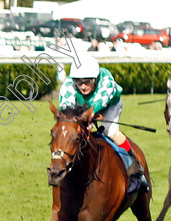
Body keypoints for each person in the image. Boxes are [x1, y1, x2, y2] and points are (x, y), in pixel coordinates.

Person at [59, 53, 145, 192]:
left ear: (95, 79)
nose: (83, 86)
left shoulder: (106, 80)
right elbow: (66, 108)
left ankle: (135, 169)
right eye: (79, 82)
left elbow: (100, 103)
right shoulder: (68, 85)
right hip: (84, 110)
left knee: (110, 131)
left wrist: (89, 117)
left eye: (87, 82)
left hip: (109, 105)